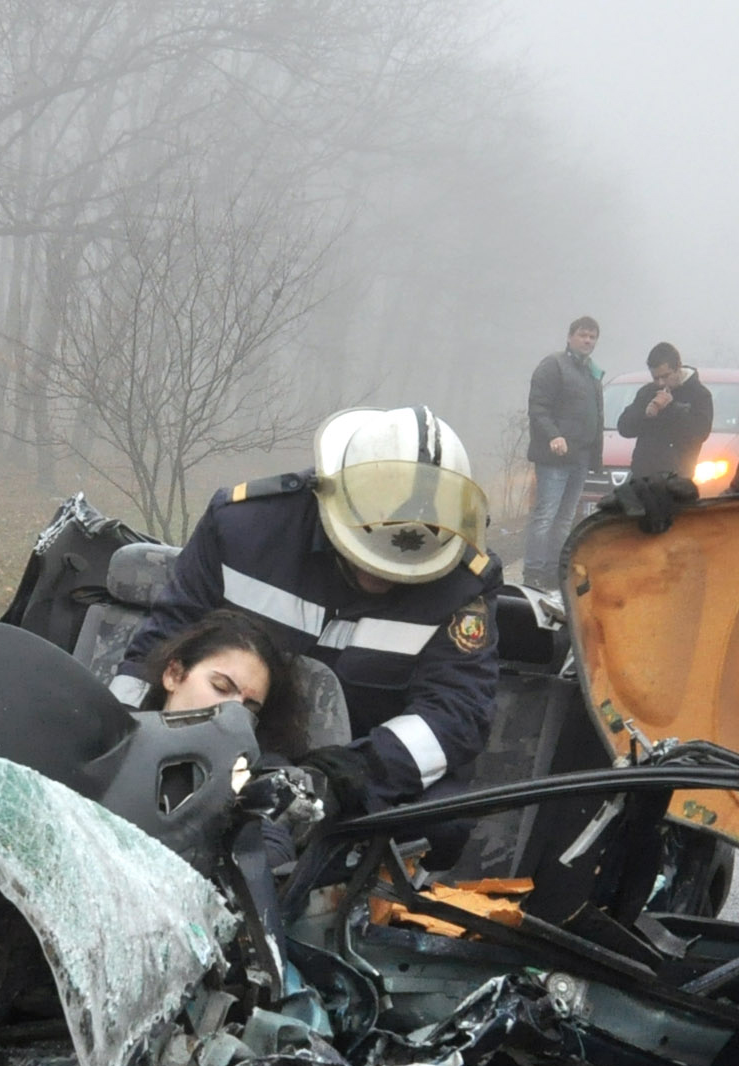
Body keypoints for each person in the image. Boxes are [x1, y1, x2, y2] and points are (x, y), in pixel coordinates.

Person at [114, 406, 501, 819]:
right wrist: (116, 736)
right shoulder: (242, 528)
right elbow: (160, 646)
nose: (380, 578)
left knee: (443, 824)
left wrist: (346, 777)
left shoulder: (463, 584)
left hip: (360, 789)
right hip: (216, 757)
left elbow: (455, 712)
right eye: (365, 559)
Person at [522, 316, 603, 588]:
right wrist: (553, 435)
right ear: (570, 337)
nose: (588, 340)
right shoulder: (553, 365)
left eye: (592, 336)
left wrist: (594, 452)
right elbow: (538, 407)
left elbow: (596, 414)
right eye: (583, 335)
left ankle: (553, 571)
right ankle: (533, 571)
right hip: (554, 458)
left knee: (565, 518)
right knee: (545, 515)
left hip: (580, 457)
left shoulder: (591, 371)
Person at [145, 609, 294, 726]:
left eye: (249, 710)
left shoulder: (260, 764)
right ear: (174, 674)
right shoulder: (122, 744)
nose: (232, 715)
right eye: (220, 687)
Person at [616, 342, 713, 484]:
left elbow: (700, 433)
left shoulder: (699, 395)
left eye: (665, 376)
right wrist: (645, 414)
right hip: (643, 477)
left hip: (677, 479)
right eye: (655, 378)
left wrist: (672, 408)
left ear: (678, 368)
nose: (661, 383)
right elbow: (624, 428)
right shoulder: (647, 392)